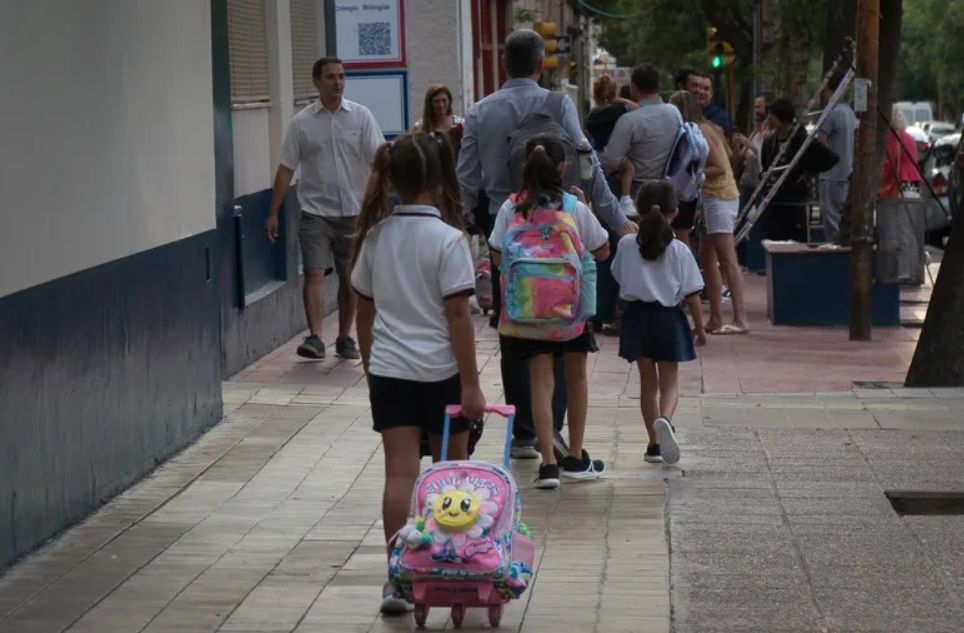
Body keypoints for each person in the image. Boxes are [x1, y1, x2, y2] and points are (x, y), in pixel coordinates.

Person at [458, 28, 636, 459]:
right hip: (561, 228)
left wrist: (470, 221)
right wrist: (616, 220)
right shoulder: (558, 104)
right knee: (561, 320)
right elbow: (588, 165)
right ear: (541, 65)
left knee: (513, 324)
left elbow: (467, 177)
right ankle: (551, 426)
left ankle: (523, 429)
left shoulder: (480, 112)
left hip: (509, 229)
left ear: (505, 65)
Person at [350, 132, 486, 614]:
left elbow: (363, 315)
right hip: (441, 373)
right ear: (437, 179)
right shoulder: (449, 241)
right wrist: (470, 383)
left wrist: (373, 368)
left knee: (400, 473)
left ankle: (397, 578)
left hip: (391, 372)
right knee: (451, 475)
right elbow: (457, 317)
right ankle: (453, 569)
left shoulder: (375, 236)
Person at [488, 136, 611, 489]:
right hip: (570, 313)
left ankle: (548, 464)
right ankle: (575, 456)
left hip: (528, 313)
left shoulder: (511, 208)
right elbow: (602, 250)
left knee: (540, 383)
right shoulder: (572, 206)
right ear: (561, 168)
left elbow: (497, 257)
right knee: (576, 379)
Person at [265, 57, 384, 360]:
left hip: (354, 212)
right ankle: (316, 337)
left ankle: (345, 337)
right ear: (316, 81)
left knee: (349, 278)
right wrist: (273, 212)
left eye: (341, 76)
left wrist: (382, 203)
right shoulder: (301, 123)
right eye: (331, 77)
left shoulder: (361, 117)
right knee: (314, 272)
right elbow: (285, 169)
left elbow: (379, 162)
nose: (338, 82)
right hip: (316, 211)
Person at [612, 181, 706, 464]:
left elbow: (618, 275)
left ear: (638, 211)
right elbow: (692, 294)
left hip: (636, 318)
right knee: (670, 382)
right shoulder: (679, 250)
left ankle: (653, 445)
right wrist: (700, 329)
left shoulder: (627, 244)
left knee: (647, 385)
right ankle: (665, 419)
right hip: (668, 318)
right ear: (674, 212)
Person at [671, 90, 748, 335]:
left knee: (726, 259)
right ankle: (715, 317)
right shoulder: (708, 128)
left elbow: (719, 166)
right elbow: (731, 156)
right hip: (712, 198)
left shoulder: (700, 131)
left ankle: (740, 318)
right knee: (708, 260)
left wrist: (696, 175)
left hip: (719, 196)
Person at [601, 64, 682, 220]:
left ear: (634, 87)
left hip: (637, 195)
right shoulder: (674, 113)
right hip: (668, 192)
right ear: (658, 86)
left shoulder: (629, 121)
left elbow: (610, 161)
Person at [817, 73, 856, 242]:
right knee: (843, 216)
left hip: (831, 174)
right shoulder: (849, 112)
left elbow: (821, 141)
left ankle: (834, 248)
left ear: (828, 91)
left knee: (831, 217)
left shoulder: (831, 113)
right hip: (847, 172)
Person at [733, 91, 775, 203]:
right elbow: (740, 158)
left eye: (759, 107)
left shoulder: (772, 133)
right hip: (747, 183)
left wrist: (748, 143)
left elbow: (766, 155)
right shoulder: (755, 133)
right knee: (740, 216)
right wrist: (737, 144)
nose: (756, 111)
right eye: (755, 107)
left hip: (760, 184)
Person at [879, 105, 923, 200]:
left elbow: (888, 164)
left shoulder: (892, 137)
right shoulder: (909, 137)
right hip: (914, 184)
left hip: (900, 185)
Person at [676, 67, 732, 135]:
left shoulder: (719, 114)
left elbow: (716, 133)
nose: (701, 92)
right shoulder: (674, 110)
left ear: (712, 93)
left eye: (706, 89)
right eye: (695, 87)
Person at [414, 84, 465, 154]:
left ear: (449, 101)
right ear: (430, 104)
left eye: (444, 100)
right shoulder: (420, 127)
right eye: (436, 101)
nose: (441, 105)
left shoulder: (461, 123)